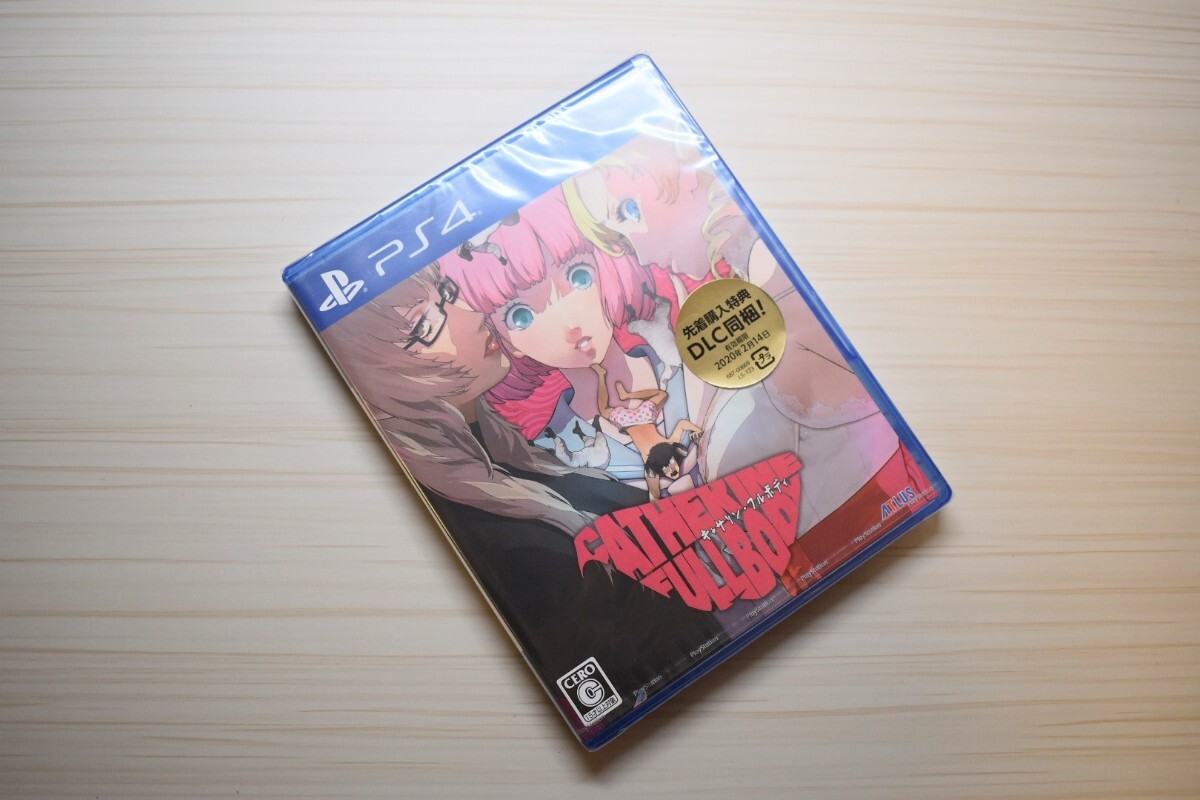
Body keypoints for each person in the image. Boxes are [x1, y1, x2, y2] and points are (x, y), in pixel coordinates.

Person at [320, 262, 725, 709]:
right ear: (387, 380)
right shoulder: (485, 525)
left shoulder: (509, 451)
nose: (472, 316)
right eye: (428, 327)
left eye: (449, 294)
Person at [439, 185, 704, 498]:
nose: (570, 325)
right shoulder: (552, 446)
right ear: (501, 340)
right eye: (520, 316)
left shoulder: (679, 353)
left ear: (605, 268)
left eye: (580, 277)